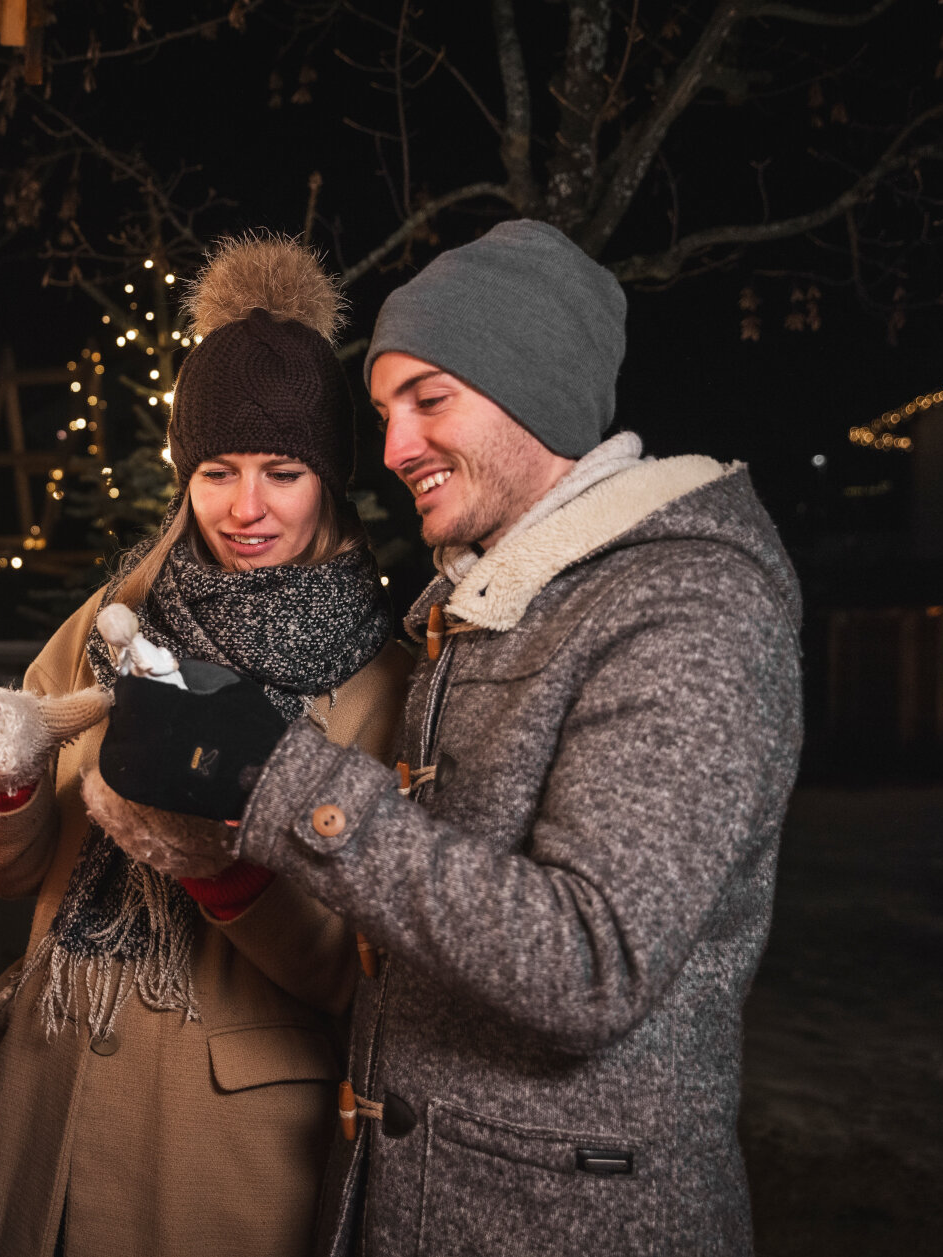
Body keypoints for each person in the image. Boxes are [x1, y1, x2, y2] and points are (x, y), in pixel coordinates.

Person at [99, 220, 804, 1256]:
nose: (392, 450)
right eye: (385, 412)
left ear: (540, 392)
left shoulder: (688, 606)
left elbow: (593, 962)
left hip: (570, 1224)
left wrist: (281, 777)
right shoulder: (490, 599)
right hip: (426, 1203)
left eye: (430, 400)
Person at [0, 235, 411, 1257]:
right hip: (47, 1105)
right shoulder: (108, 620)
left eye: (283, 471)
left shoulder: (382, 684)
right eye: (217, 471)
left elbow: (364, 974)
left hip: (221, 1143)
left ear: (328, 476)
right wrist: (0, 790)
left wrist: (226, 875)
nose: (247, 508)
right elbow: (9, 872)